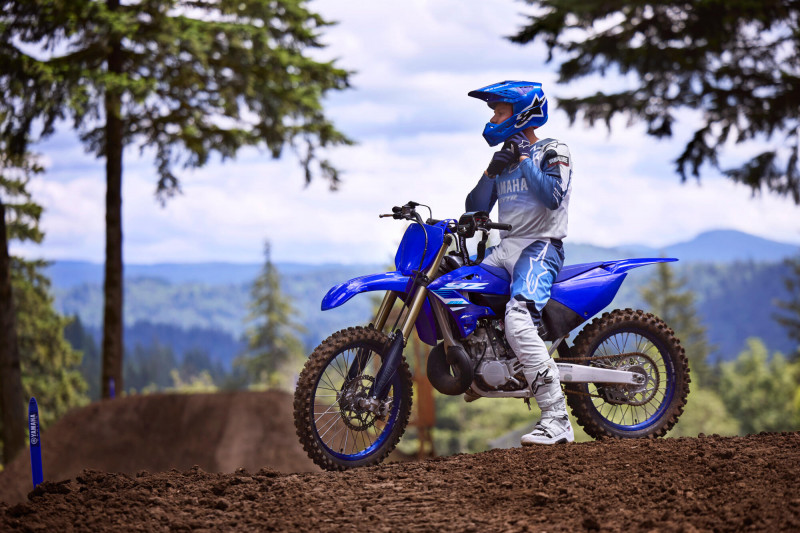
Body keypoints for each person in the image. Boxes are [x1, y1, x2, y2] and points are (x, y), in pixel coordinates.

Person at [465, 81, 574, 445]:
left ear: (522, 114)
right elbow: (475, 209)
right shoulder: (505, 158)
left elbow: (552, 196)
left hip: (541, 246)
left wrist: (526, 158)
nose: (494, 119)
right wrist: (492, 171)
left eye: (500, 112)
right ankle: (479, 366)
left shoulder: (553, 150)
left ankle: (557, 419)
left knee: (518, 317)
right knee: (458, 290)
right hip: (505, 248)